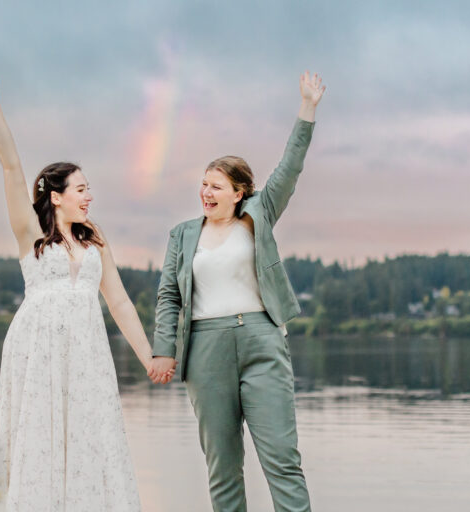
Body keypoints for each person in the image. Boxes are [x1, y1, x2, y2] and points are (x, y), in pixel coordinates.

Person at [0, 71, 175, 511]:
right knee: (39, 440)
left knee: (90, 438)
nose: (89, 197)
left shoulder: (95, 240)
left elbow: (119, 300)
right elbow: (11, 166)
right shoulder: (30, 232)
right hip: (37, 351)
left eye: (89, 189)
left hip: (86, 354)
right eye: (82, 189)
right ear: (57, 196)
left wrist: (150, 358)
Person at [149, 71, 325, 512]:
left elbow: (290, 168)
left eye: (216, 185)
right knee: (222, 467)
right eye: (204, 183)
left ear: (239, 192)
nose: (205, 192)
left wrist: (307, 108)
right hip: (205, 349)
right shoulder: (182, 234)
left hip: (262, 341)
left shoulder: (259, 215)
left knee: (282, 459)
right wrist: (163, 349)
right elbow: (169, 295)